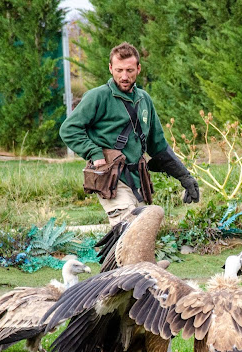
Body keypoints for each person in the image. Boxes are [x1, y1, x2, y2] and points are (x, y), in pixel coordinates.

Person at [59, 42, 199, 225]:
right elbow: (68, 129)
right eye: (119, 70)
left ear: (138, 69)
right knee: (130, 231)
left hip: (137, 179)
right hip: (111, 178)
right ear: (110, 68)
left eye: (129, 70)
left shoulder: (144, 99)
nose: (124, 76)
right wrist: (94, 152)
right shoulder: (98, 96)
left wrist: (184, 176)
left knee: (145, 229)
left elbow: (158, 146)